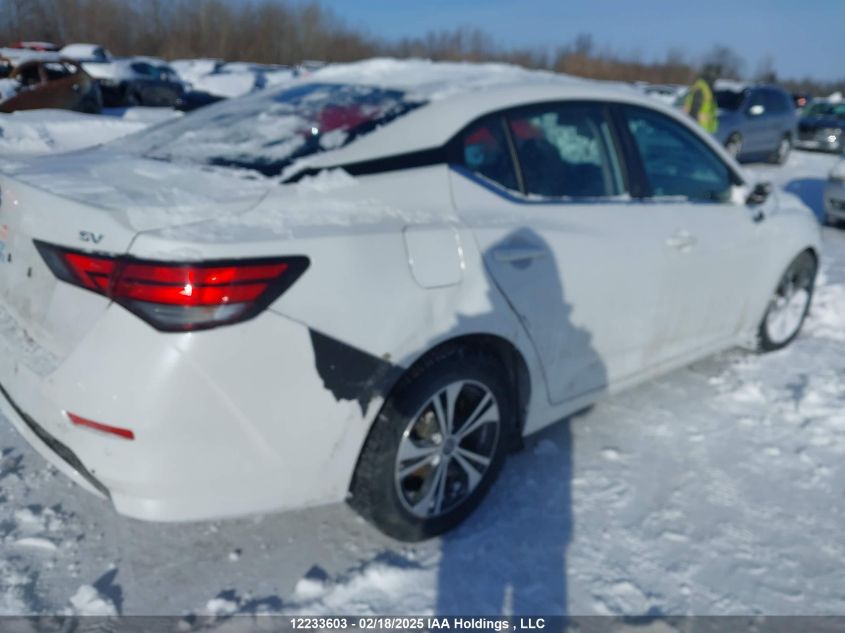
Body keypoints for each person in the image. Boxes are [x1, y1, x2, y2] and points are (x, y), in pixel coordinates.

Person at [684, 64, 719, 134]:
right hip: (698, 130)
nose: (715, 78)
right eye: (714, 75)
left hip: (704, 130)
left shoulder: (707, 89)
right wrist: (694, 128)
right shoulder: (701, 88)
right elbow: (694, 110)